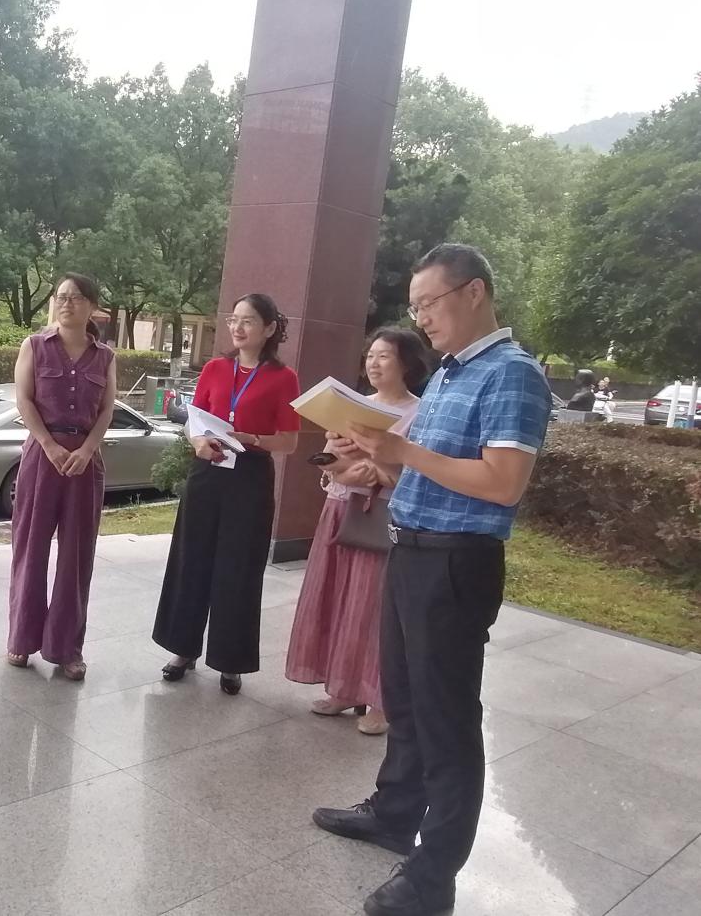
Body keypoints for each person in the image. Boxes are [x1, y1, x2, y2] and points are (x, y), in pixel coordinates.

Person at [312, 244, 552, 916]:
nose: (420, 318)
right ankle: (394, 812)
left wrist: (403, 450)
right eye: (414, 307)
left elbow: (502, 483)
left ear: (473, 292)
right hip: (411, 548)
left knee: (446, 718)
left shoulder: (511, 374)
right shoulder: (450, 373)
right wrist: (375, 460)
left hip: (455, 561)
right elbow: (431, 473)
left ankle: (433, 875)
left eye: (429, 303)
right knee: (406, 699)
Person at [152, 293, 300, 695]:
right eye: (234, 320)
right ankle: (182, 649)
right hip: (208, 470)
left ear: (269, 329)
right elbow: (193, 420)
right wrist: (198, 442)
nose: (238, 328)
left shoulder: (283, 378)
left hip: (250, 477)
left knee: (239, 569)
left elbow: (288, 442)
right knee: (191, 560)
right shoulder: (215, 368)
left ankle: (230, 660)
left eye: (248, 321)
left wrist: (252, 438)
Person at [285, 328, 429, 736]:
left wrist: (378, 471)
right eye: (370, 355)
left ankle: (381, 699)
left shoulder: (420, 414)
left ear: (407, 363)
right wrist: (336, 464)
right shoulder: (355, 407)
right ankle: (343, 688)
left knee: (373, 608)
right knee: (336, 599)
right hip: (340, 508)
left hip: (382, 516)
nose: (374, 363)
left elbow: (419, 474)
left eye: (384, 356)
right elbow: (330, 462)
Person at [6, 273, 117, 680]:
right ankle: (21, 640)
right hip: (42, 456)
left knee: (76, 556)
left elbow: (106, 409)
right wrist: (49, 446)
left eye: (76, 297)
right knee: (30, 548)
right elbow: (24, 400)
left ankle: (67, 648)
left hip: (85, 463)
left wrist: (87, 450)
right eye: (61, 297)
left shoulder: (105, 357)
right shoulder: (34, 346)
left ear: (93, 307)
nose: (67, 303)